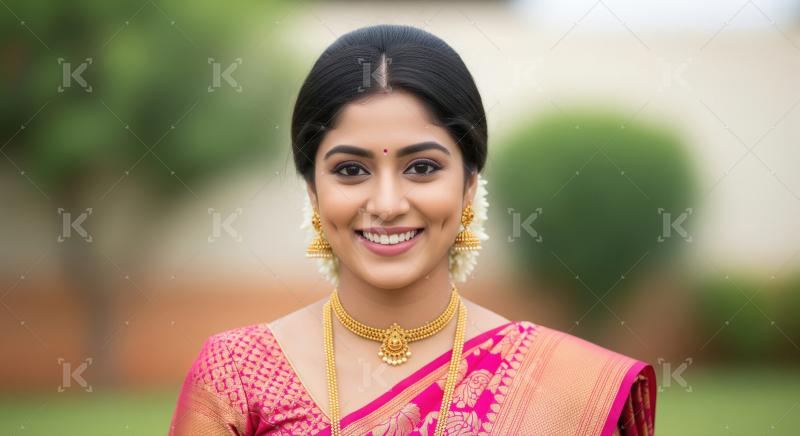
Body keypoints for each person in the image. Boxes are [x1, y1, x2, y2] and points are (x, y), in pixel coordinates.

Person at [169, 24, 656, 436]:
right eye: (351, 170)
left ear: (469, 186)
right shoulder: (239, 376)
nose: (386, 205)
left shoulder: (568, 387)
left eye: (422, 167)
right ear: (313, 192)